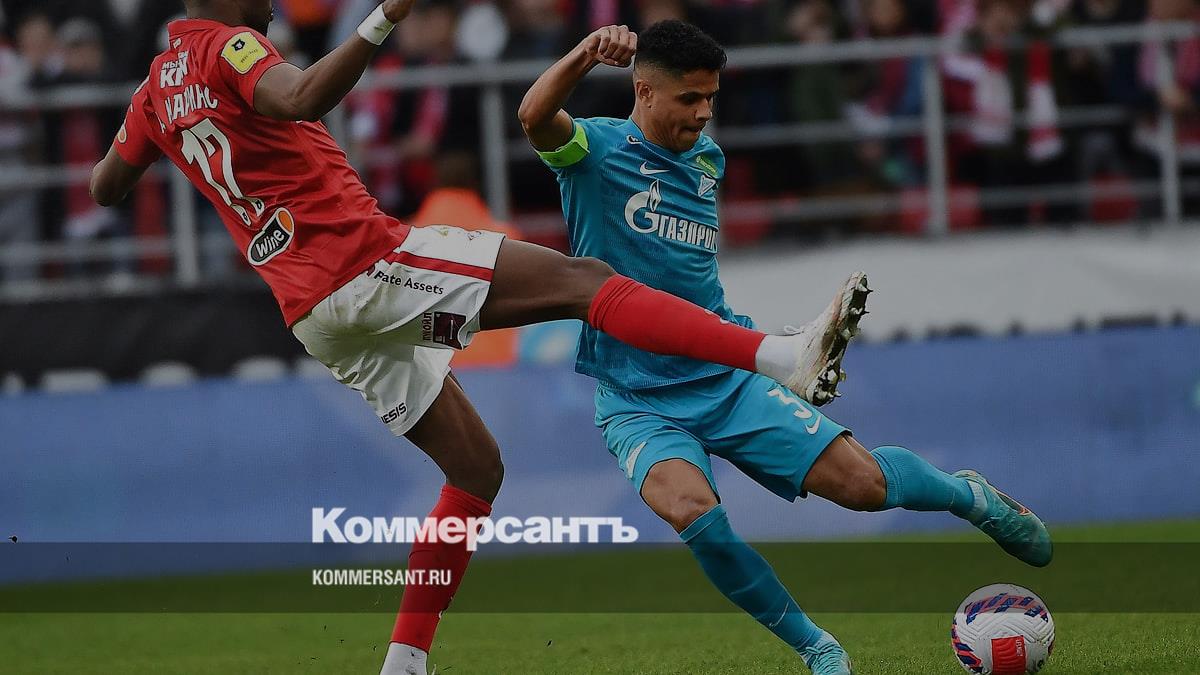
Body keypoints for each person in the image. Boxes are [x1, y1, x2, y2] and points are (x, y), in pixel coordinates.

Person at [87, 2, 858, 673]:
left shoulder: (156, 87)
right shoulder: (232, 46)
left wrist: (173, 130)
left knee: (476, 467)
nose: (275, 4)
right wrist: (384, 17)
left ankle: (404, 662)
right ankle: (780, 356)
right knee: (586, 281)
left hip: (312, 311)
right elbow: (301, 96)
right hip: (362, 259)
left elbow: (104, 186)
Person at [519, 20, 1053, 674]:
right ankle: (816, 646)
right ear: (645, 91)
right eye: (689, 98)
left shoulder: (707, 159)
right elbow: (534, 116)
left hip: (725, 374)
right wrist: (583, 53)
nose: (704, 112)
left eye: (711, 98)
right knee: (691, 510)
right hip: (635, 395)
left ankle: (969, 496)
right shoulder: (596, 151)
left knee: (863, 486)